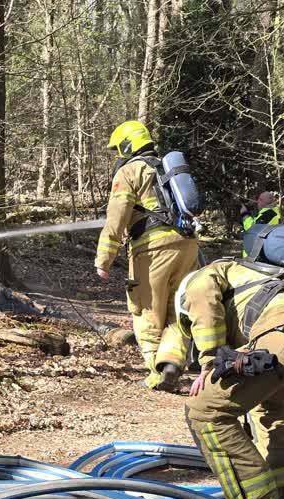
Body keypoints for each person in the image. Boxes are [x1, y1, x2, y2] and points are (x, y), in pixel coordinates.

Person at [172, 248, 284, 499]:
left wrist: (210, 360)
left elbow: (201, 290)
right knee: (274, 413)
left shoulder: (206, 276)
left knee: (205, 410)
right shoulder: (255, 282)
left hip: (283, 330)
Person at [95, 120, 199, 391]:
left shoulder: (130, 171)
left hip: (152, 249)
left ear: (127, 145)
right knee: (177, 309)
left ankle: (156, 372)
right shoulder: (165, 168)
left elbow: (116, 218)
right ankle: (172, 363)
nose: (117, 155)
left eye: (118, 149)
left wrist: (104, 259)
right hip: (187, 244)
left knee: (147, 310)